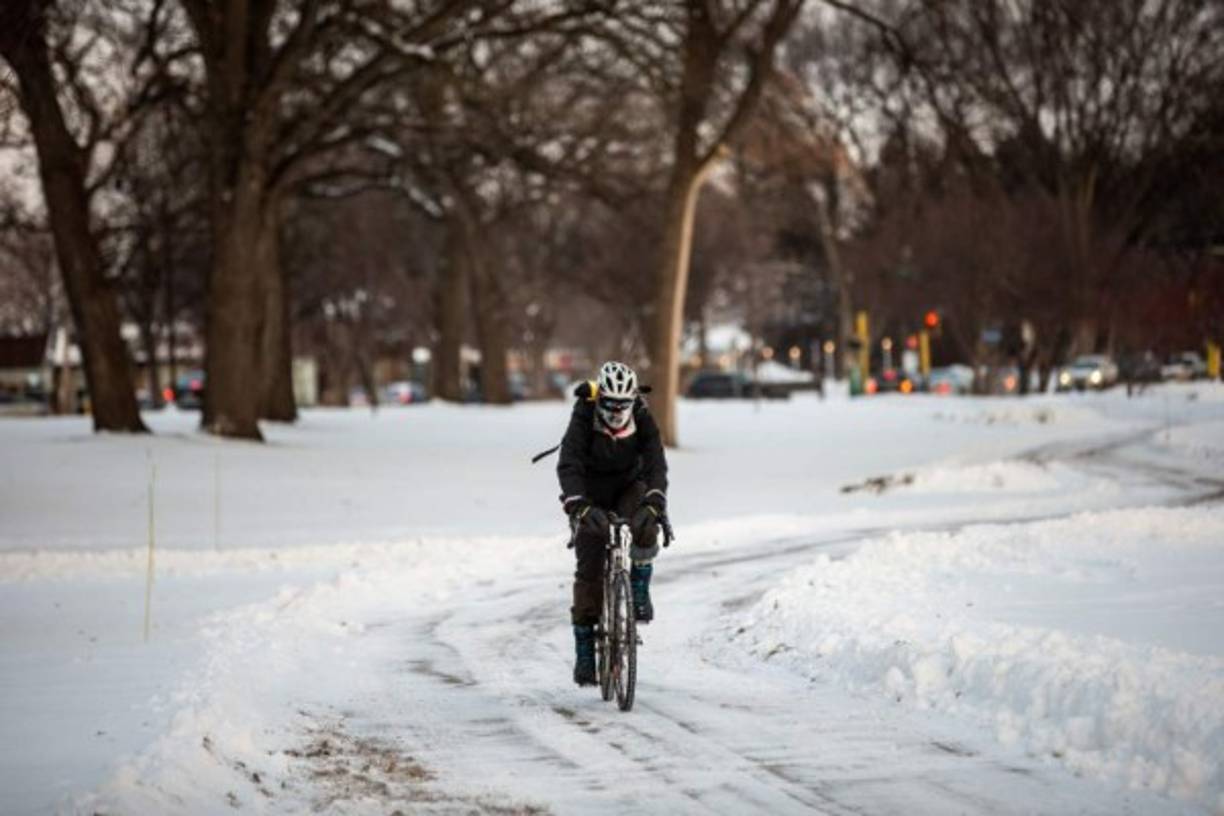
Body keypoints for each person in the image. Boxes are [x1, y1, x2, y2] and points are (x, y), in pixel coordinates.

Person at [558, 361, 668, 687]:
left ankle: (639, 587)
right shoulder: (583, 414)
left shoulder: (642, 416)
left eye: (624, 404)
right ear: (599, 398)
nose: (617, 411)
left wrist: (655, 498)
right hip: (590, 493)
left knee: (646, 521)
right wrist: (577, 503)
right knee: (589, 569)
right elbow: (569, 462)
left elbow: (656, 462)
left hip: (628, 486)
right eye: (610, 404)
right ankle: (585, 651)